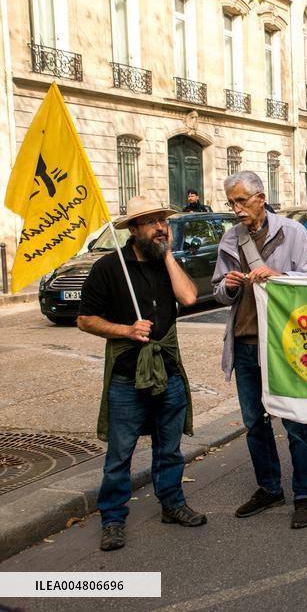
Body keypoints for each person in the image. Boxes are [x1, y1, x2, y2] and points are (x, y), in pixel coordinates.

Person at [77, 195, 204, 552]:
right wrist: (126, 330)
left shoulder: (167, 262)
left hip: (168, 371)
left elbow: (190, 298)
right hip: (127, 376)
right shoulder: (108, 267)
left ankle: (172, 504)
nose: (161, 226)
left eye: (163, 220)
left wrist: (166, 256)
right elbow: (85, 319)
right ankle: (113, 518)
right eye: (151, 222)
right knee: (120, 454)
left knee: (170, 448)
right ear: (134, 229)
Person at [211, 171, 307, 529]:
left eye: (241, 201)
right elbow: (218, 292)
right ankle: (269, 487)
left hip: (283, 345)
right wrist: (227, 286)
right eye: (231, 203)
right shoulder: (230, 239)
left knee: (295, 422)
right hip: (244, 342)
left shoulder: (294, 233)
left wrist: (277, 276)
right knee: (253, 422)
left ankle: (305, 495)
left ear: (261, 197)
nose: (236, 209)